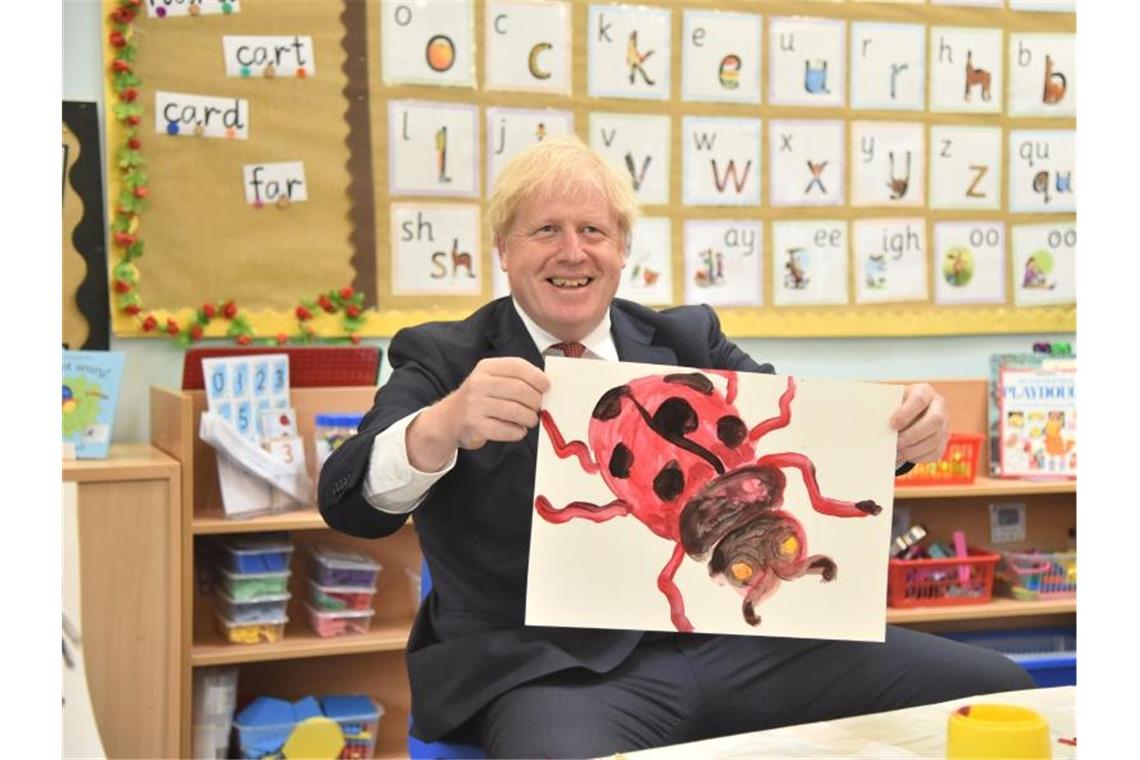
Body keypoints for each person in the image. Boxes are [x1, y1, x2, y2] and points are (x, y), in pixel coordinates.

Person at [318, 135, 1033, 758]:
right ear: (503, 249)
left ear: (623, 249)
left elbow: (801, 432)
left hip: (744, 646)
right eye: (545, 231)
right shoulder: (445, 358)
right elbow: (349, 500)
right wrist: (440, 426)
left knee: (998, 696)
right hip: (553, 672)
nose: (574, 252)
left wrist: (903, 437)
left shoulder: (689, 340)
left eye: (594, 231)